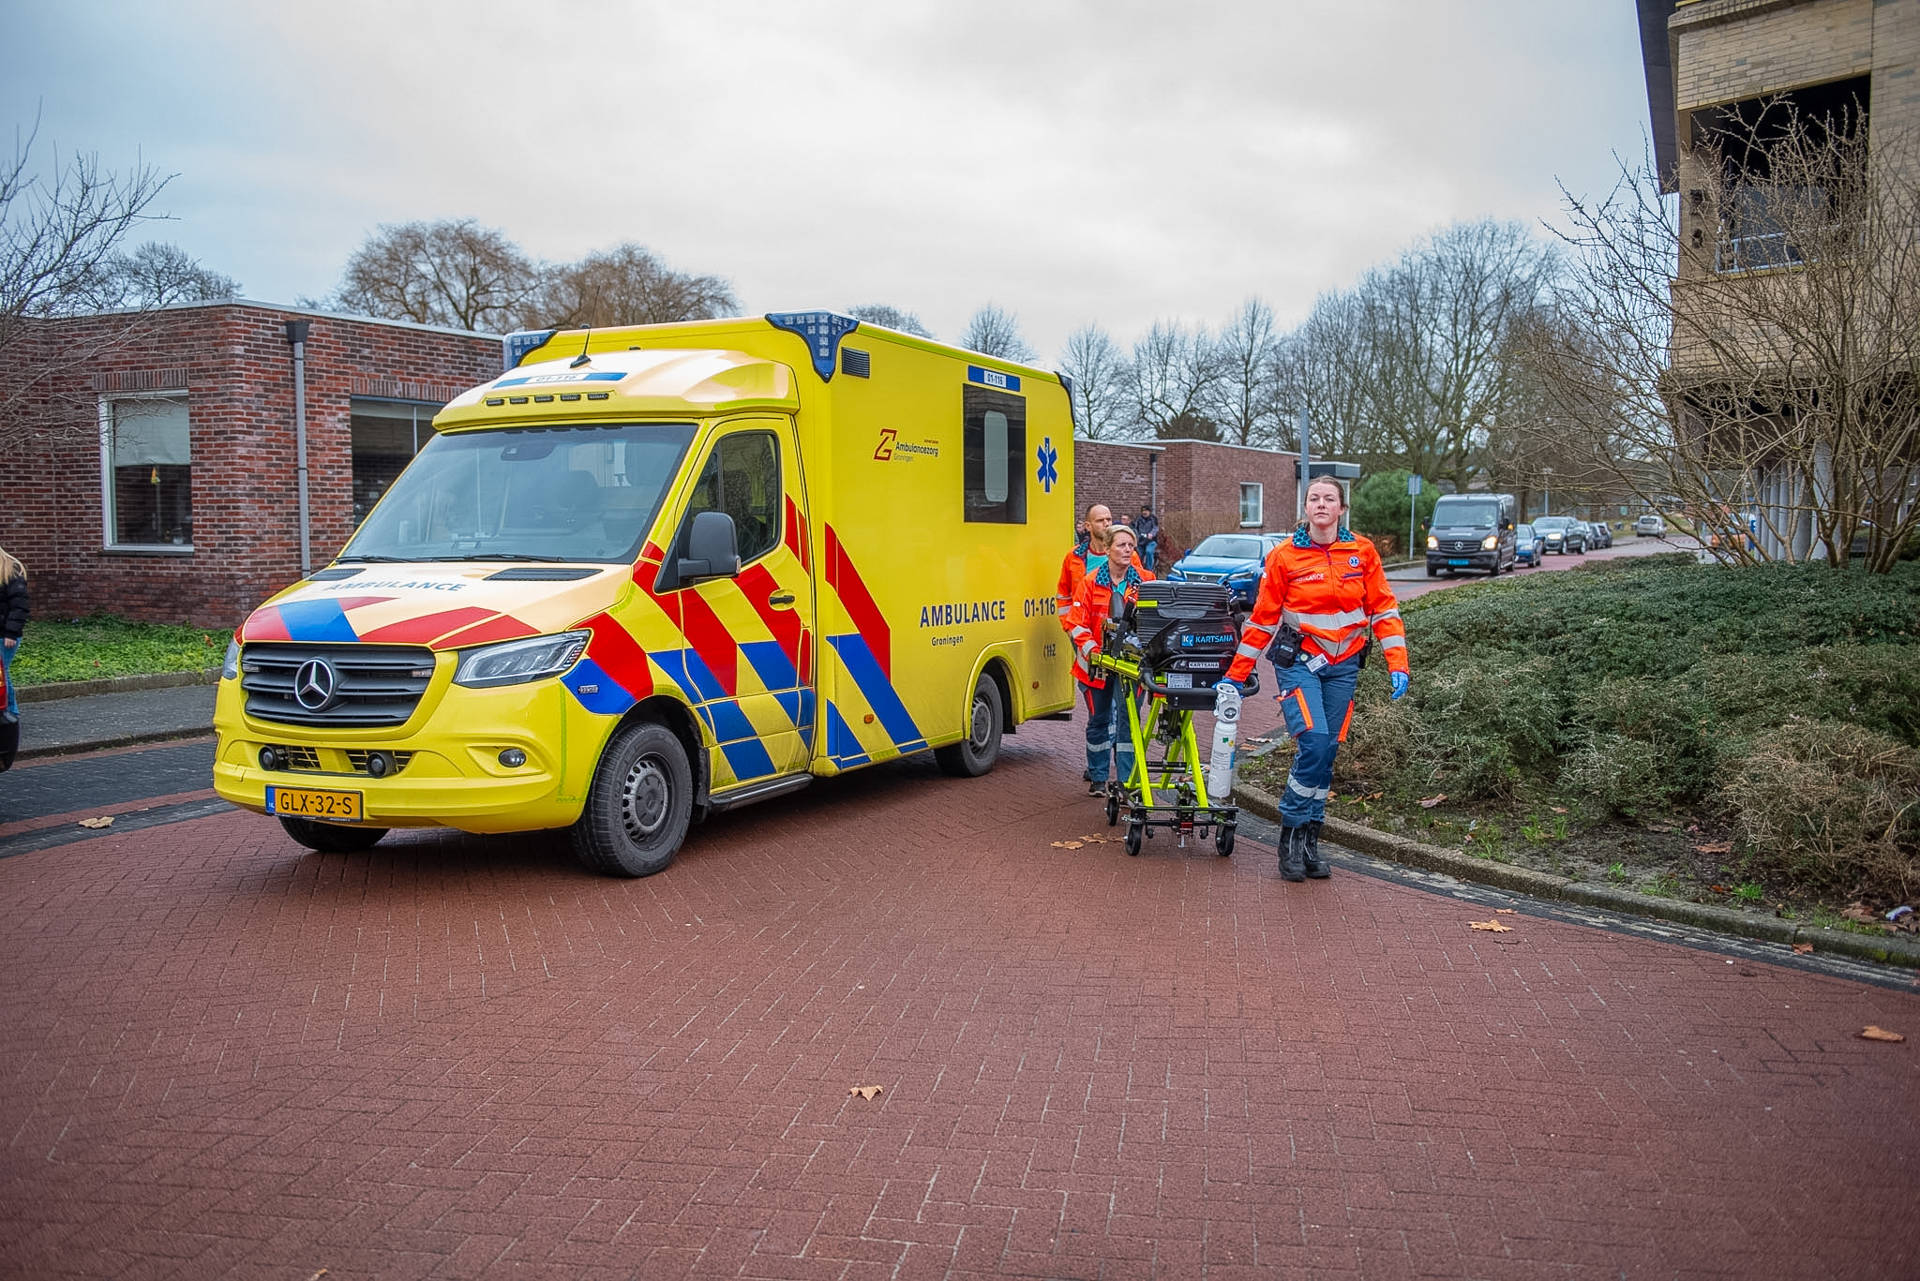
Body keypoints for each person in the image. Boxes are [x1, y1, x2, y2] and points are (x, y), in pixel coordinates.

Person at [1218, 478, 1409, 881]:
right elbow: (1263, 619)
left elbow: (1384, 610)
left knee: (1329, 750)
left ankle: (1310, 838)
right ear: (1305, 507)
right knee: (1315, 741)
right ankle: (1289, 835)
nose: (1321, 504)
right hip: (1300, 661)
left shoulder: (1362, 552)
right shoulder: (1285, 556)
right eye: (1314, 498)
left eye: (1329, 499)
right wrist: (1237, 674)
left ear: (1342, 508)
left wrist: (1398, 662)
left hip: (1344, 665)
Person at [1064, 525, 1153, 797]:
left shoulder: (1146, 581)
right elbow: (1075, 624)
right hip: (1096, 667)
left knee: (1129, 721)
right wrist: (1093, 650)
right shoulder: (1091, 582)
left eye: (1131, 546)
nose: (1127, 550)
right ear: (1108, 549)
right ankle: (1099, 777)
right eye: (1122, 545)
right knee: (1099, 720)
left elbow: (1154, 622)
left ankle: (1127, 782)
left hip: (1130, 666)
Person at [0, 546, 26, 771]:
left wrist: (10, 633)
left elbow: (19, 605)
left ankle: (10, 713)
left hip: (5, 636)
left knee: (3, 673)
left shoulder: (10, 569)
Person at [1136, 503, 1161, 573]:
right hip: (1141, 541)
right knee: (1138, 554)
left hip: (1151, 541)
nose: (1144, 512)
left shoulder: (1153, 519)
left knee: (1149, 551)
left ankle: (1149, 570)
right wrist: (1137, 536)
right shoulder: (1138, 519)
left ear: (1149, 512)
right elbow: (1135, 528)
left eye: (1146, 511)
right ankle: (1138, 569)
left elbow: (1155, 528)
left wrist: (1151, 534)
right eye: (1143, 511)